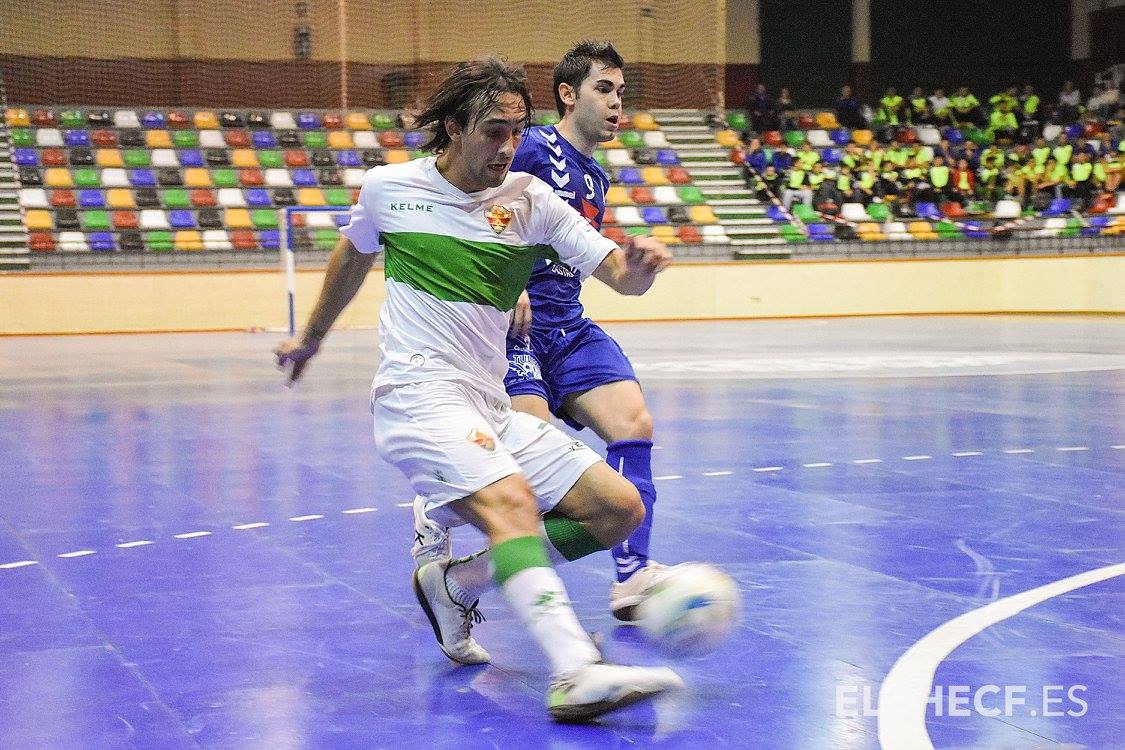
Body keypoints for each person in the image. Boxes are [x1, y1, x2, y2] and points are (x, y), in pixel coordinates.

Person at [274, 55, 681, 722]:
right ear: (453, 129)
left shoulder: (530, 201)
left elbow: (615, 272)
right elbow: (353, 253)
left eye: (517, 131)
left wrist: (639, 269)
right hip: (417, 397)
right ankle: (574, 670)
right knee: (511, 501)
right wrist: (312, 338)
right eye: (493, 131)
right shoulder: (389, 189)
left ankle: (459, 581)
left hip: (487, 404)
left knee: (617, 509)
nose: (506, 147)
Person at [410, 40, 681, 621]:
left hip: (570, 325)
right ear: (567, 94)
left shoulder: (595, 179)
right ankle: (442, 506)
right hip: (517, 331)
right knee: (529, 476)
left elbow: (580, 252)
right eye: (603, 90)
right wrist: (511, 283)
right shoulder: (529, 145)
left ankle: (632, 576)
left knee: (634, 423)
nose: (616, 104)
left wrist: (631, 270)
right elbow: (479, 206)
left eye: (621, 93)